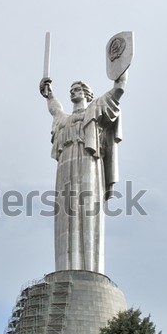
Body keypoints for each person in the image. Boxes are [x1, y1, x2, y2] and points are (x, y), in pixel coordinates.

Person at [40, 71, 128, 273]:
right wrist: (49, 94)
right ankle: (65, 269)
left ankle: (90, 269)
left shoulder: (95, 109)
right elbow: (55, 110)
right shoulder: (65, 119)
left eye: (77, 89)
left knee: (88, 209)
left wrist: (121, 67)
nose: (73, 93)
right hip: (65, 170)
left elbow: (118, 89)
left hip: (89, 163)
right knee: (65, 212)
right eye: (71, 91)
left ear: (87, 94)